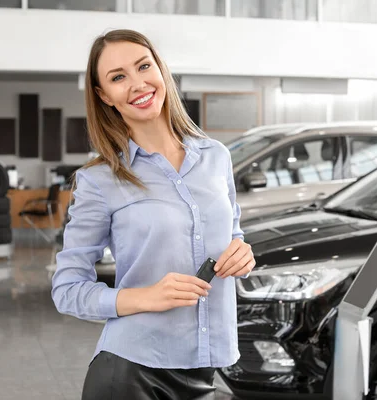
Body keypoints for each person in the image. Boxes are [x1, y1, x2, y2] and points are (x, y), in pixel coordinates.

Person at [51, 29, 256, 400]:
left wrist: (242, 250)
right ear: (104, 96)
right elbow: (67, 290)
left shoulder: (216, 157)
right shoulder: (98, 180)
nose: (137, 84)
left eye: (143, 66)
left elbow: (233, 232)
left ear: (161, 70)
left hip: (207, 367)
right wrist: (145, 297)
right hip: (133, 373)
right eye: (117, 77)